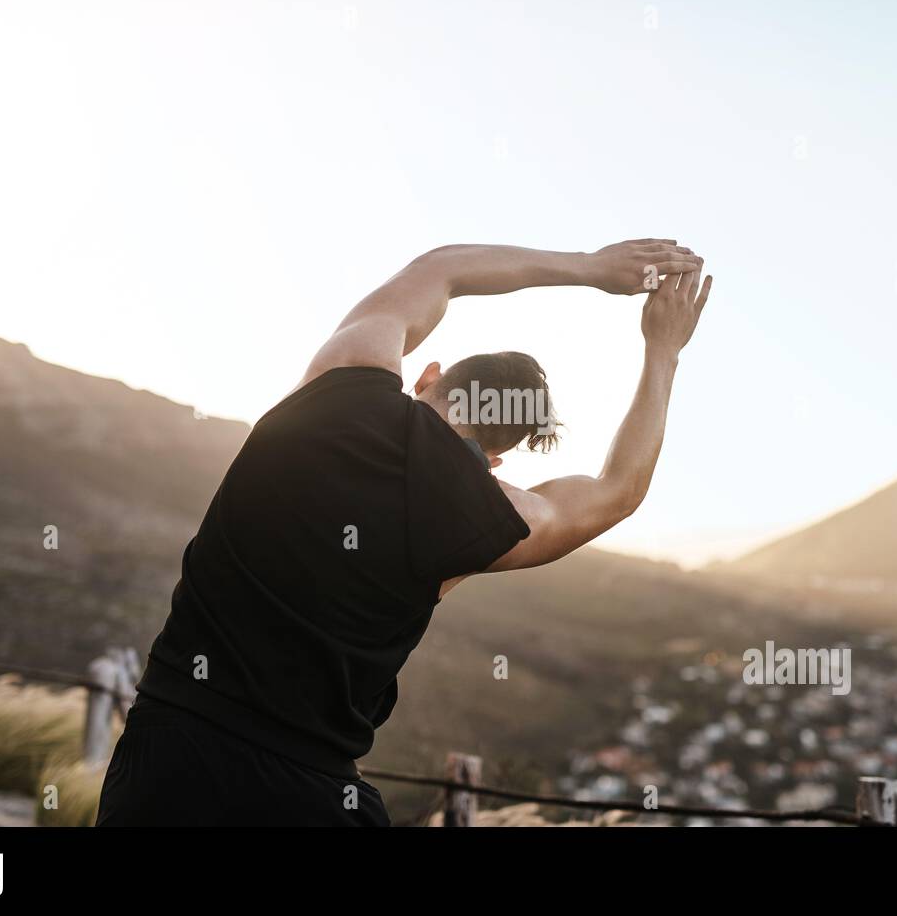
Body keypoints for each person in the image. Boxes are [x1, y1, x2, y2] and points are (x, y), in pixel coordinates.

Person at [96, 239, 710, 826]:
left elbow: (442, 269)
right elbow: (617, 491)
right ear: (500, 458)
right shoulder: (492, 518)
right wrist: (664, 350)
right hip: (307, 790)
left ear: (430, 375)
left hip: (170, 744)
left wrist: (591, 268)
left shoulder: (344, 376)